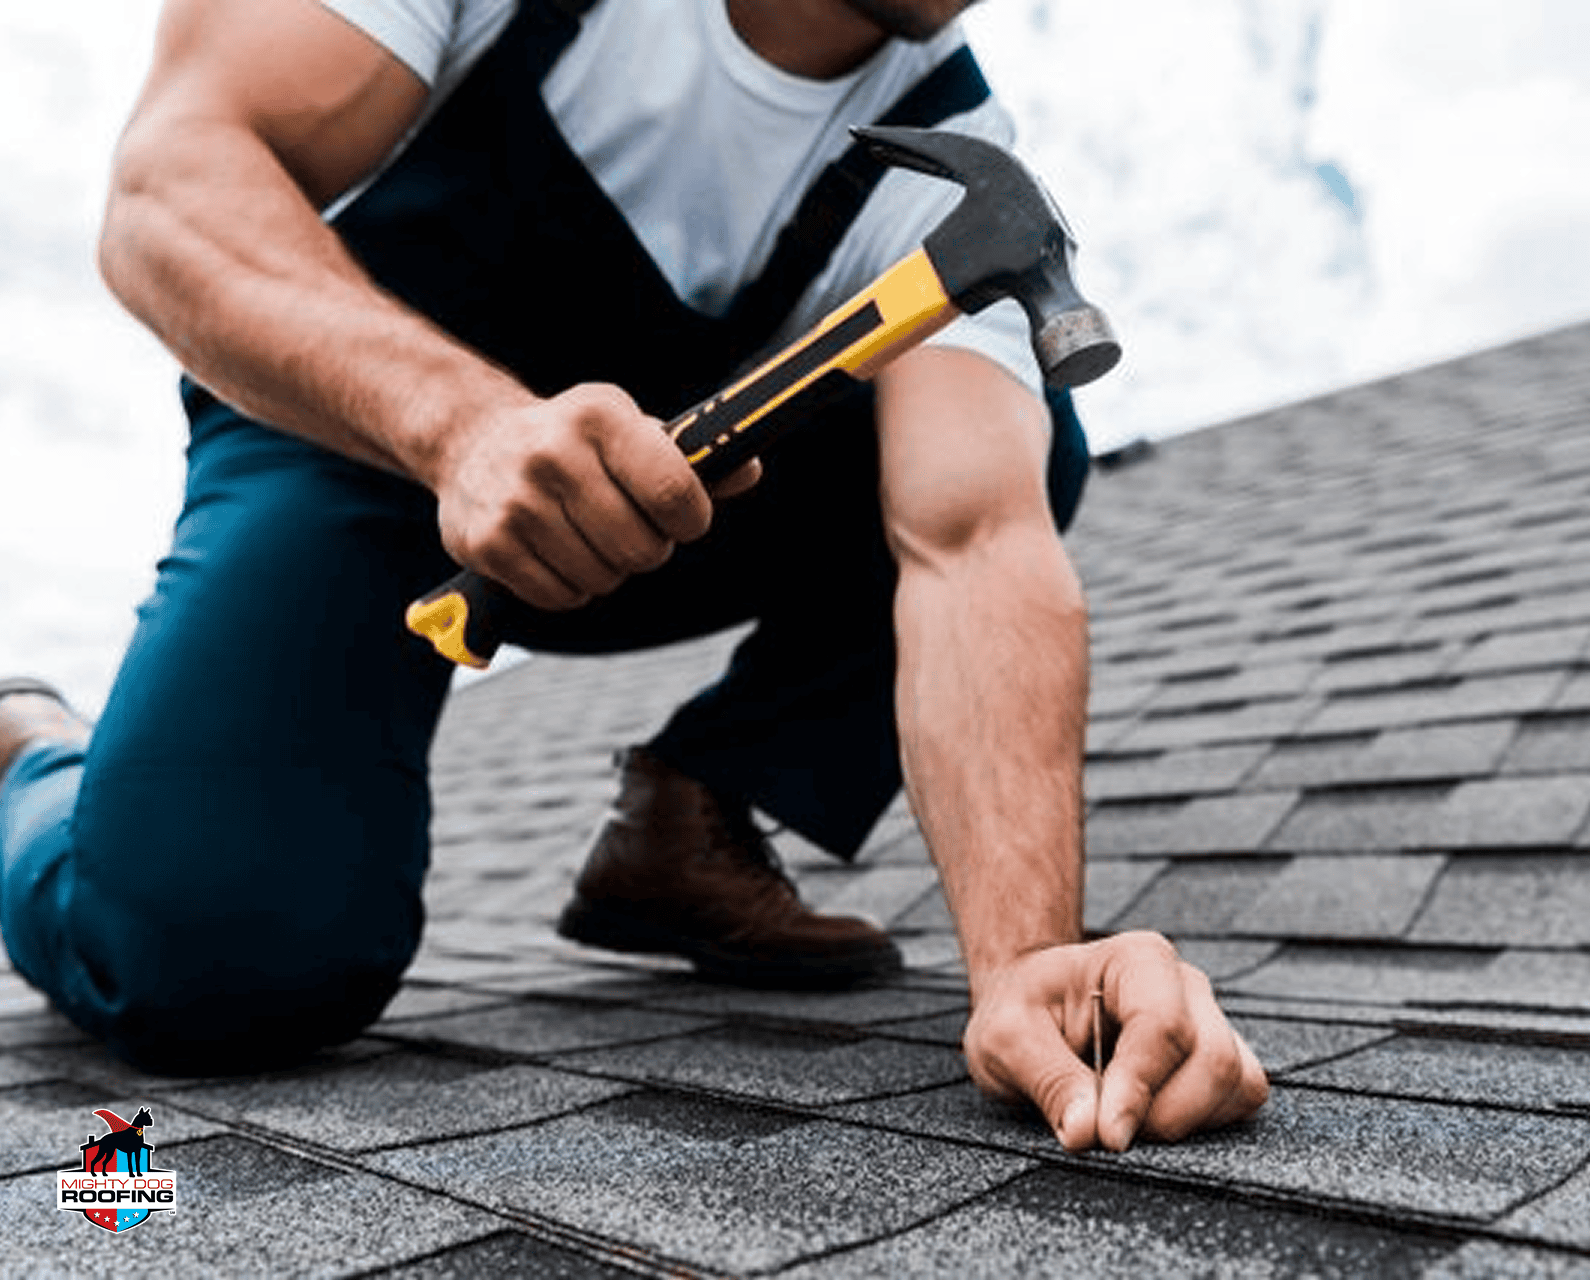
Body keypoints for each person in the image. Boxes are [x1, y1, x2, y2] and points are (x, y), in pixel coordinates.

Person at [0, 0, 1267, 1151]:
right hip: (344, 446)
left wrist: (1032, 962)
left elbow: (973, 544)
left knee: (1028, 448)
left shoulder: (948, 155)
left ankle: (693, 821)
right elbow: (169, 187)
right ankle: (35, 755)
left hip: (657, 506)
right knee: (212, 956)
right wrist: (463, 425)